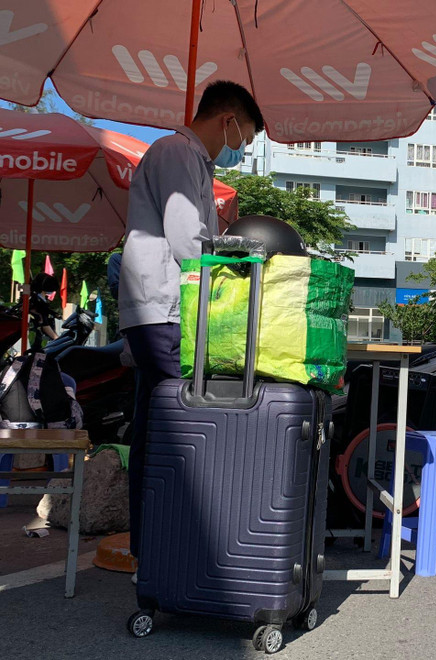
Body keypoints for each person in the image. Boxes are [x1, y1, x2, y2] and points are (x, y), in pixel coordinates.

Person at [118, 80, 264, 572]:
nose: (238, 148)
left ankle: (152, 547)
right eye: (243, 136)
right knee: (182, 427)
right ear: (228, 119)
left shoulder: (189, 161)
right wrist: (245, 255)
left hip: (156, 309)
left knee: (156, 425)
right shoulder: (177, 154)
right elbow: (189, 243)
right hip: (164, 309)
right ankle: (172, 546)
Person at [29, 273, 60, 341]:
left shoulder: (40, 299)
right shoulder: (38, 302)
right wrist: (56, 338)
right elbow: (44, 325)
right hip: (38, 337)